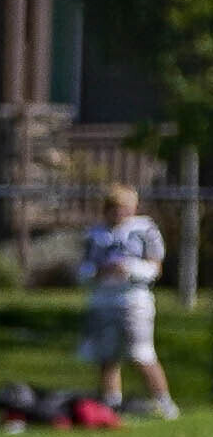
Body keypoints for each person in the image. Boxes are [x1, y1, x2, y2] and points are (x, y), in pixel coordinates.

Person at [80, 177, 177, 418]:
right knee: (107, 354)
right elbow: (83, 270)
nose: (120, 213)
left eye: (125, 208)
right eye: (115, 208)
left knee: (141, 353)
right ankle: (111, 403)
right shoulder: (95, 234)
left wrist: (130, 268)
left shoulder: (144, 231)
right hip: (103, 300)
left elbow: (155, 269)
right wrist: (100, 272)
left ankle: (164, 402)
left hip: (134, 301)